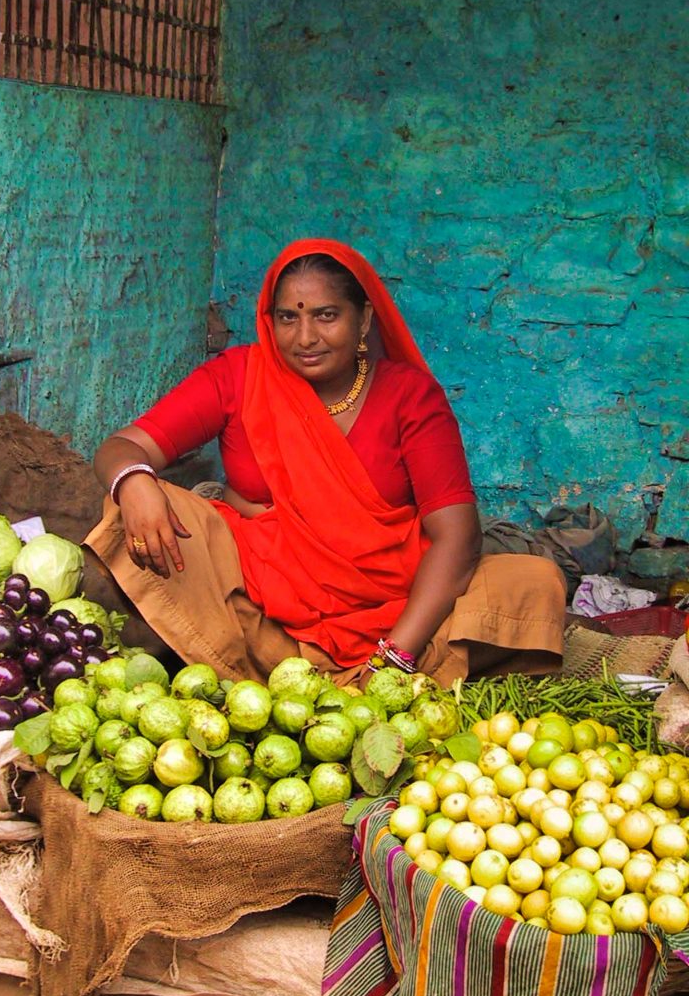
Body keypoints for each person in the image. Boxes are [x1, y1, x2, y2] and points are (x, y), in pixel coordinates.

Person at [86, 238, 566, 686]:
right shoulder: (239, 376)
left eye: (326, 315)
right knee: (135, 513)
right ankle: (260, 668)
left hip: (397, 614)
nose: (305, 337)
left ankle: (363, 674)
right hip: (260, 610)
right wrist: (135, 482)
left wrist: (396, 654)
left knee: (531, 583)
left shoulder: (409, 397)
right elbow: (121, 448)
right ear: (269, 320)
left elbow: (457, 537)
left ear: (363, 320)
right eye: (288, 318)